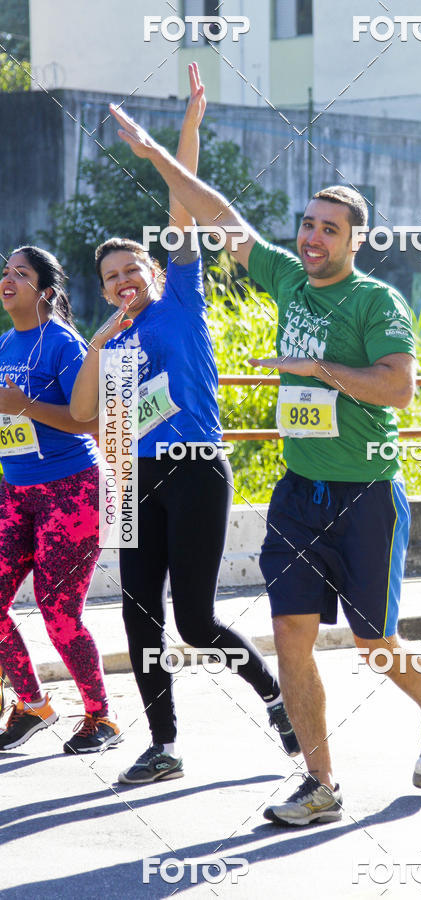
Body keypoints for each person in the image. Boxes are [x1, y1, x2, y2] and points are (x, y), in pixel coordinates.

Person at [106, 79, 421, 822]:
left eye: (328, 229)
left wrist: (320, 371)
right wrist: (157, 154)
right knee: (292, 638)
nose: (310, 237)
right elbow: (217, 215)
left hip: (365, 492)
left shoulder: (376, 302)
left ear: (354, 240)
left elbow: (398, 391)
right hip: (298, 494)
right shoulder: (284, 277)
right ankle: (321, 784)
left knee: (374, 642)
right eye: (306, 224)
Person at [70, 63, 299, 785]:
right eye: (110, 279)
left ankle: (279, 701)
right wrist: (102, 337)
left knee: (195, 622)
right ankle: (163, 745)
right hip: (138, 481)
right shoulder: (113, 337)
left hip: (197, 468)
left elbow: (185, 204)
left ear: (152, 268)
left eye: (131, 269)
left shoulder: (181, 301)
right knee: (139, 618)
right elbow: (82, 414)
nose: (123, 282)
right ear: (102, 289)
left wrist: (186, 131)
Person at [0, 245, 120, 754]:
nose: (7, 279)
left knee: (58, 610)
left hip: (71, 491)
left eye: (20, 274)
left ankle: (101, 717)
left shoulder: (65, 344)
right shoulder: (5, 343)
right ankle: (32, 703)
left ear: (45, 292)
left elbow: (91, 421)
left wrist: (21, 404)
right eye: (5, 272)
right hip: (14, 488)